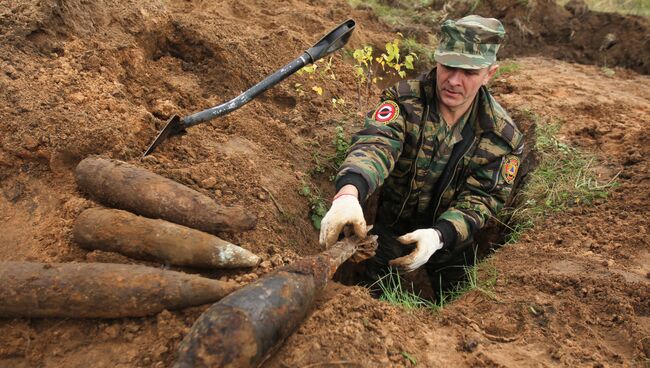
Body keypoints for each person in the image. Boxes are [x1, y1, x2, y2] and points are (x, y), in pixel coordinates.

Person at [319, 15, 524, 296]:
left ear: (489, 73)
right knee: (369, 297)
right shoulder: (405, 102)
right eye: (449, 67)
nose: (454, 80)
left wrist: (440, 236)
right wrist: (348, 194)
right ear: (437, 62)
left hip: (452, 242)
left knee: (459, 299)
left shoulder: (501, 138)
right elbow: (376, 144)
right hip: (390, 230)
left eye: (468, 73)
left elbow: (484, 198)